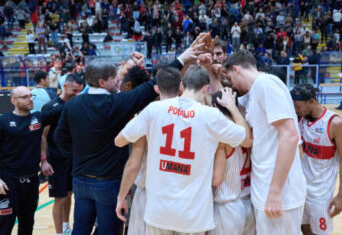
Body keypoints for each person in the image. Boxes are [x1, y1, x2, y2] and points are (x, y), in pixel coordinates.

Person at [54, 44, 205, 235]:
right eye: (113, 78)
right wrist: (182, 58)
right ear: (102, 82)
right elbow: (153, 86)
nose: (118, 80)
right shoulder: (116, 104)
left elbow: (60, 140)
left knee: (80, 230)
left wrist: (79, 156)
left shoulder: (72, 105)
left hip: (80, 181)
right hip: (108, 183)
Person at [114, 65, 252, 234]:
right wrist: (232, 107)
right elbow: (246, 139)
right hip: (193, 216)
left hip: (158, 212)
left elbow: (119, 141)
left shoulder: (154, 109)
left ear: (182, 85)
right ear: (205, 89)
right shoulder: (211, 116)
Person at [222, 50, 307, 234]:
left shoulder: (265, 85)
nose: (232, 84)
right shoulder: (258, 89)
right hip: (267, 189)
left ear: (237, 69)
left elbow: (290, 135)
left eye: (230, 77)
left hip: (279, 194)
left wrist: (275, 192)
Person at [119, 66, 183, 235]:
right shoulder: (194, 114)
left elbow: (130, 159)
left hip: (149, 195)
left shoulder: (147, 115)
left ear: (156, 88)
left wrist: (121, 196)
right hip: (182, 193)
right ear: (181, 87)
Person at [291, 84, 342, 235]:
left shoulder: (335, 123)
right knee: (303, 229)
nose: (296, 111)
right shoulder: (300, 119)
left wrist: (341, 196)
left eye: (298, 106)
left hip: (321, 196)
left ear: (311, 101)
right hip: (299, 191)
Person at [0, 86, 61, 235]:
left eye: (31, 95)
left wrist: (44, 160)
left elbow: (63, 107)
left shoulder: (38, 118)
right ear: (13, 101)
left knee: (27, 224)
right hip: (8, 182)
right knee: (4, 226)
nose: (30, 99)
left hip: (31, 180)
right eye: (25, 97)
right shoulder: (3, 121)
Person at [207, 91, 255, 235]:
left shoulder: (222, 134)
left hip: (226, 208)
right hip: (249, 203)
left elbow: (217, 179)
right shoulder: (246, 127)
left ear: (215, 107)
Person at [41, 75, 84, 235]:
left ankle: (66, 227)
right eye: (74, 90)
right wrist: (44, 160)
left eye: (80, 91)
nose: (76, 94)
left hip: (74, 158)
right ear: (65, 86)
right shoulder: (51, 107)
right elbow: (43, 136)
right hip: (56, 159)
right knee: (59, 198)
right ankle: (59, 232)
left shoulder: (77, 104)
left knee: (69, 195)